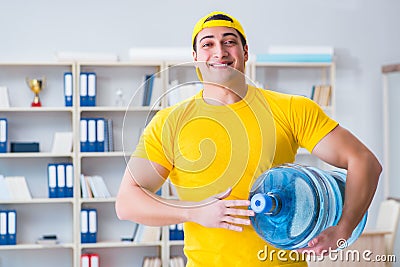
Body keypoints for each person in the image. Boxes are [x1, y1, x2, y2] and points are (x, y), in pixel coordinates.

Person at [116, 11, 382, 266]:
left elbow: (364, 161)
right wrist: (194, 212)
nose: (219, 51)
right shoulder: (169, 122)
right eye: (208, 44)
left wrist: (344, 229)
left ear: (245, 52)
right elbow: (127, 201)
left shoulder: (292, 109)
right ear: (196, 57)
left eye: (229, 42)